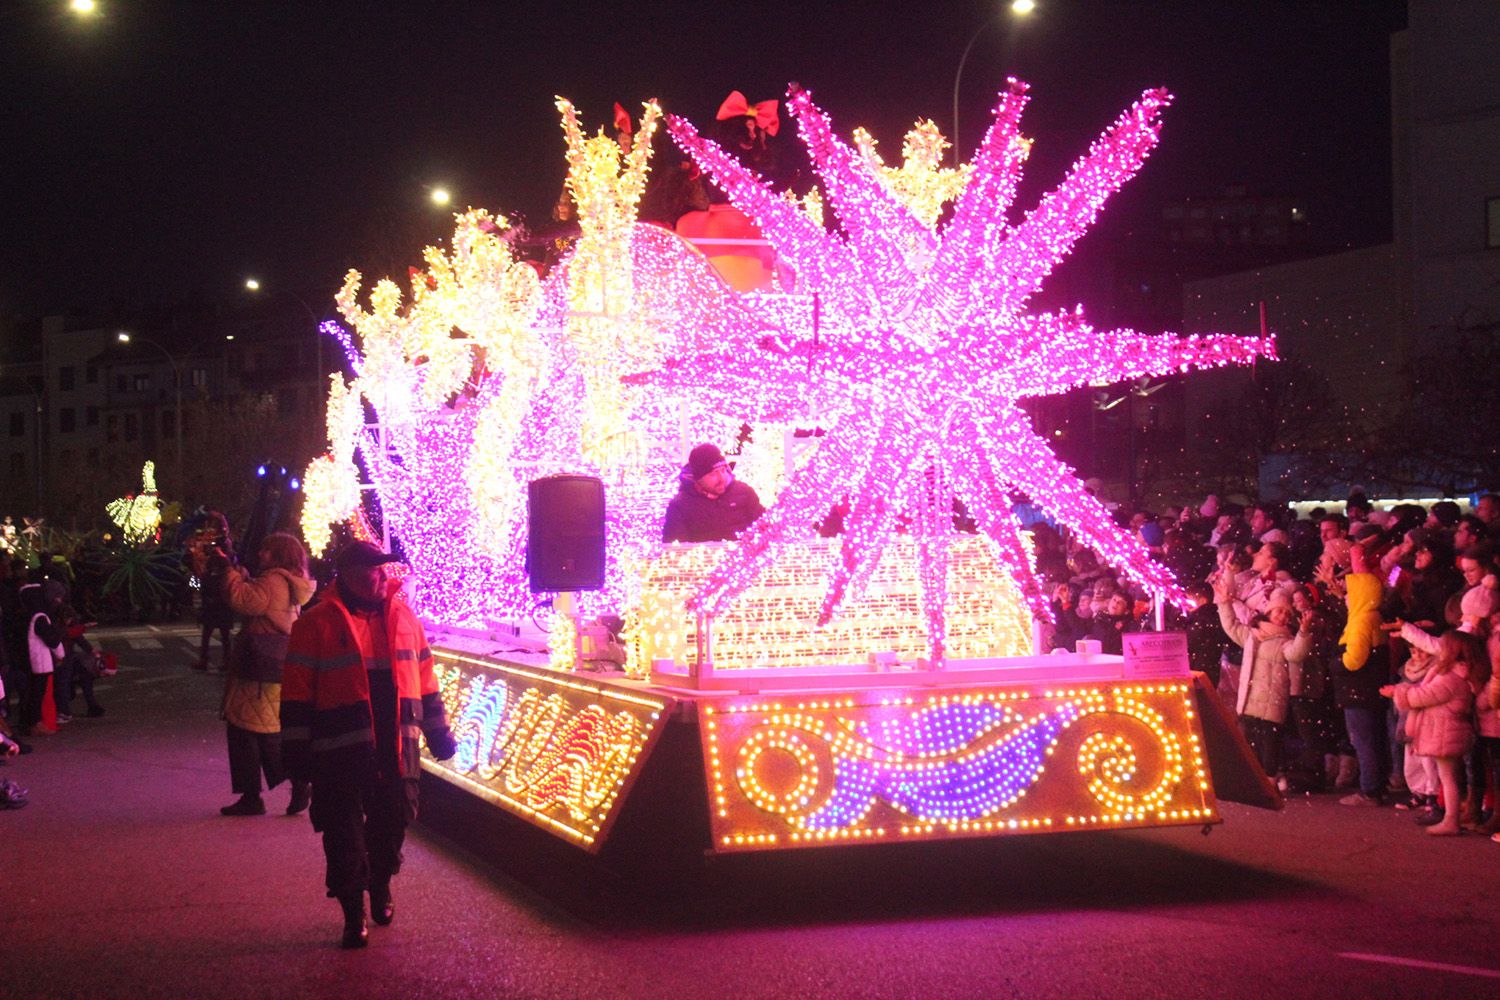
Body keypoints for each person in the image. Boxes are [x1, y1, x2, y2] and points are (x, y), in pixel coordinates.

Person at [281, 541, 456, 949]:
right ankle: (352, 911)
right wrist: (296, 753)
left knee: (392, 822)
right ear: (347, 575)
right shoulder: (317, 622)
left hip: (396, 747)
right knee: (342, 834)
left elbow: (425, 681)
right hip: (338, 751)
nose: (378, 577)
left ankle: (380, 883)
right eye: (368, 571)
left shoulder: (405, 618)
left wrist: (439, 733)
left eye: (381, 570)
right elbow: (296, 693)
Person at [218, 533, 316, 817]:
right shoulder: (289, 582)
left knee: (246, 730)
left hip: (257, 669)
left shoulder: (273, 580)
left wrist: (231, 575)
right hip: (275, 665)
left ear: (278, 555)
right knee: (263, 730)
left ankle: (264, 793)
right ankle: (290, 785)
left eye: (266, 551)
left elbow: (244, 601)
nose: (261, 554)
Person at [1382, 630, 1484, 836]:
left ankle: (1450, 820)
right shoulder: (1457, 675)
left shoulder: (1450, 678)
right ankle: (1451, 817)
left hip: (1445, 734)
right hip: (1447, 732)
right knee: (1449, 778)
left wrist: (1398, 692)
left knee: (1448, 779)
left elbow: (1423, 696)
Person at [1332, 540, 1391, 805]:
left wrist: (1334, 663)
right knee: (1374, 739)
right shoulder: (1374, 614)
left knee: (1363, 741)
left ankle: (1369, 790)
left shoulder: (1360, 622)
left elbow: (1354, 661)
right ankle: (1377, 785)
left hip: (1358, 690)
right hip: (1371, 690)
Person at [661, 443, 764, 544]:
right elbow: (675, 551)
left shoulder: (744, 493)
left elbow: (764, 529)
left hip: (744, 558)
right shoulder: (680, 506)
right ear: (698, 478)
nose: (721, 478)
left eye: (723, 470)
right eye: (713, 474)